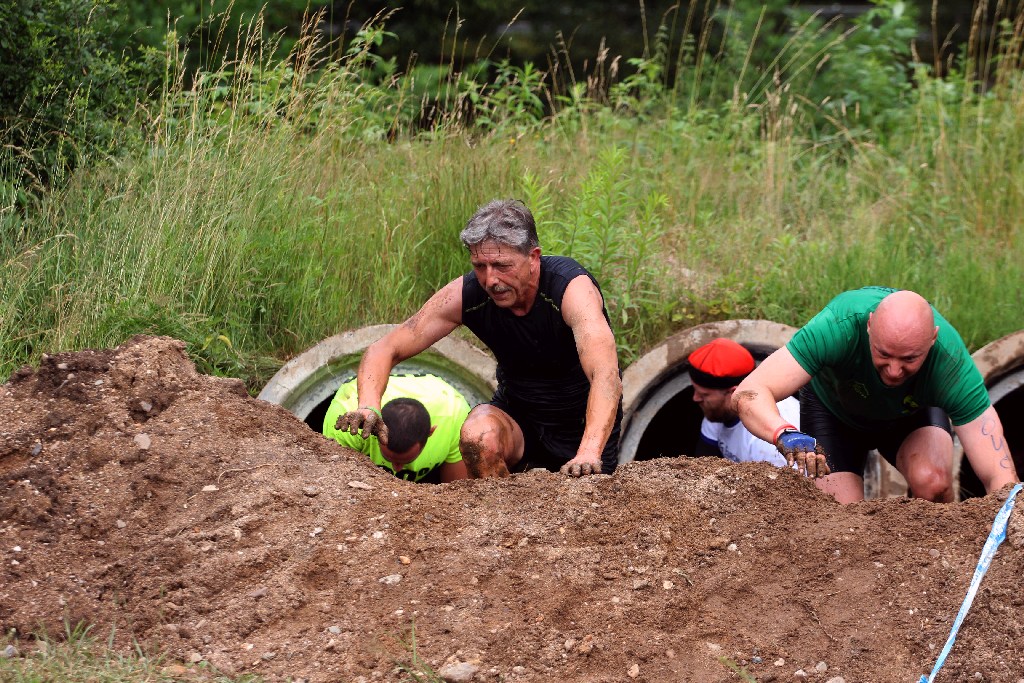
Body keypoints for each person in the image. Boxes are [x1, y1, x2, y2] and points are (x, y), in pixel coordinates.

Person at [334, 199, 622, 478]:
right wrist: (368, 405)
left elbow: (605, 374)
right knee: (477, 436)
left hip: (583, 421)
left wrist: (589, 450)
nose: (491, 280)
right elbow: (386, 347)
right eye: (479, 266)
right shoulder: (469, 294)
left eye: (502, 265)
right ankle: (498, 521)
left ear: (533, 258)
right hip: (518, 416)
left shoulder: (570, 289)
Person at [732, 286, 1019, 503]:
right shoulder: (838, 326)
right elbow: (749, 391)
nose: (894, 371)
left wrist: (1010, 530)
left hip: (907, 416)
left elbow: (999, 475)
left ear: (932, 340)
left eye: (909, 359)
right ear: (869, 327)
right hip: (833, 412)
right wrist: (783, 433)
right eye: (883, 354)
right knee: (841, 521)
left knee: (933, 482)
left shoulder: (950, 361)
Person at [323, 373, 471, 483]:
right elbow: (336, 484)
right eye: (389, 459)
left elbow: (456, 492)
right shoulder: (349, 422)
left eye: (404, 461)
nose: (396, 468)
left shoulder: (454, 417)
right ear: (375, 431)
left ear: (430, 433)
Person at [689, 338, 798, 467]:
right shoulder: (718, 412)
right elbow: (701, 463)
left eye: (704, 394)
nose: (695, 398)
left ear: (733, 393)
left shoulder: (768, 444)